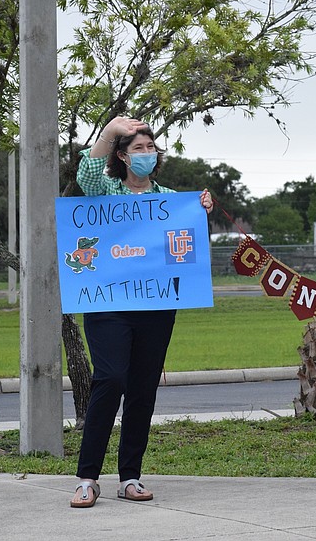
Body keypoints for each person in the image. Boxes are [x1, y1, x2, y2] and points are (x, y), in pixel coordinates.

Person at [70, 117, 214, 508]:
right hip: (108, 306)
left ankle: (129, 476)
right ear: (121, 155)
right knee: (111, 379)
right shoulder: (107, 190)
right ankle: (87, 478)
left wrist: (201, 210)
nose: (147, 154)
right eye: (138, 148)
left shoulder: (169, 198)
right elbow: (86, 174)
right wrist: (111, 129)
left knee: (142, 390)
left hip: (156, 306)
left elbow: (187, 243)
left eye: (151, 148)